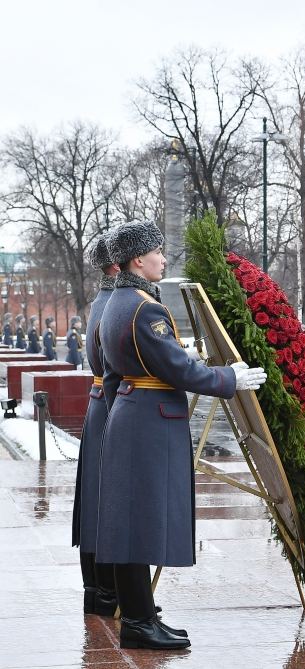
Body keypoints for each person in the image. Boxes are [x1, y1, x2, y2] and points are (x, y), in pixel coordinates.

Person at [96, 220, 267, 650]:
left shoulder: (120, 300)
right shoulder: (144, 306)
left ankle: (142, 614)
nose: (163, 258)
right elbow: (177, 370)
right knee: (136, 523)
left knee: (130, 520)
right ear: (138, 259)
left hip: (132, 414)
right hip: (147, 422)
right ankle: (137, 621)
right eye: (157, 251)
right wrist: (230, 377)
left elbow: (126, 368)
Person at [72, 234, 120, 618]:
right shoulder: (114, 304)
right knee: (109, 501)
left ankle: (98, 589)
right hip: (113, 405)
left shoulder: (101, 301)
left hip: (101, 402)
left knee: (96, 499)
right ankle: (105, 590)